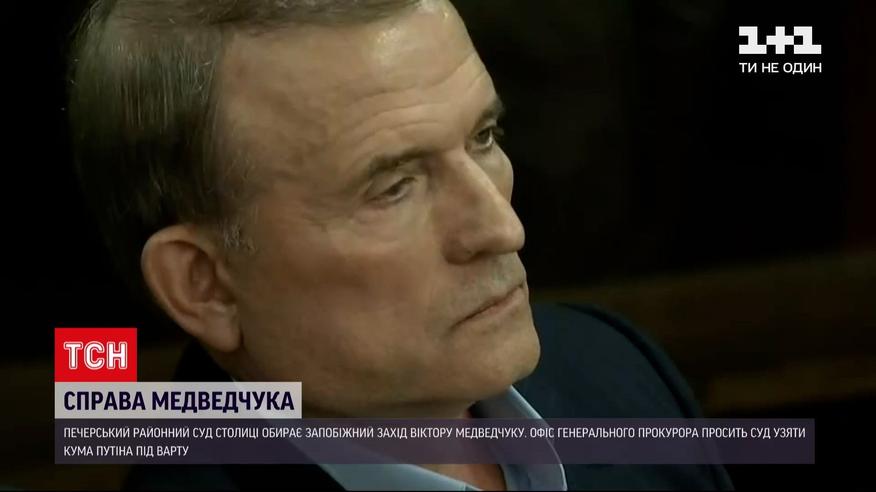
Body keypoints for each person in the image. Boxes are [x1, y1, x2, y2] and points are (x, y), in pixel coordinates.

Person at [68, 0, 733, 489]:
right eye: (393, 187)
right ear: (205, 286)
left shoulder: (616, 371)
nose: (502, 228)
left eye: (483, 138)